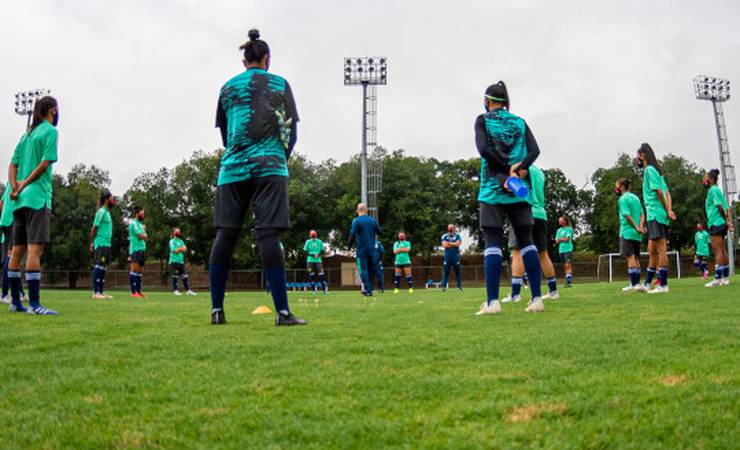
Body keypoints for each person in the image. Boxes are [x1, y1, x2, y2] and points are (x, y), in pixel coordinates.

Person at [210, 29, 304, 326]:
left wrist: (239, 153)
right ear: (267, 59)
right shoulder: (280, 83)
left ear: (244, 61)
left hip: (233, 167)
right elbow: (291, 130)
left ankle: (216, 311)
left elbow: (225, 134)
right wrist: (279, 156)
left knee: (225, 233)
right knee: (268, 234)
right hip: (270, 166)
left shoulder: (227, 88)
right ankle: (283, 313)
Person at [473, 81, 544, 315]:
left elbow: (483, 150)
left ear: (487, 101)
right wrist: (520, 169)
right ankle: (536, 298)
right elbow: (535, 151)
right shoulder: (520, 122)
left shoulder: (482, 120)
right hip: (519, 190)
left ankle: (493, 302)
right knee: (527, 243)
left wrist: (504, 170)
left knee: (493, 242)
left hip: (492, 189)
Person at [6, 96, 60, 315]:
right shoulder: (50, 132)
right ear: (53, 110)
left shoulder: (25, 135)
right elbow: (46, 162)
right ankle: (35, 305)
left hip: (19, 200)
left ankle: (15, 302)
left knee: (16, 252)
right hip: (37, 197)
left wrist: (15, 187)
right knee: (34, 250)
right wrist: (26, 183)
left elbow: (12, 164)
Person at [501, 165, 559, 302]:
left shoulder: (520, 168)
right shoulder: (539, 172)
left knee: (517, 253)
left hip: (523, 213)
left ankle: (515, 294)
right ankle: (553, 291)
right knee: (543, 254)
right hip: (540, 214)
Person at [636, 143, 676, 294]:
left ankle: (663, 285)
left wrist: (667, 209)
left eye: (638, 154)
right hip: (659, 214)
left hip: (655, 213)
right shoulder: (658, 172)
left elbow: (660, 192)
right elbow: (668, 193)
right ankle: (647, 283)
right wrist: (669, 210)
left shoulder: (649, 170)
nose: (637, 158)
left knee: (661, 250)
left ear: (644, 154)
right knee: (651, 250)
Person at [614, 178, 646, 292]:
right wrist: (640, 227)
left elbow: (627, 215)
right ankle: (636, 283)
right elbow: (642, 214)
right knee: (636, 258)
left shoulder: (623, 199)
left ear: (622, 187)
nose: (615, 188)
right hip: (637, 234)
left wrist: (636, 226)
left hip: (627, 232)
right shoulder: (636, 198)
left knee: (630, 257)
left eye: (616, 186)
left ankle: (635, 284)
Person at [703, 169, 733, 287]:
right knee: (722, 249)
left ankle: (717, 278)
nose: (704, 180)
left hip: (716, 223)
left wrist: (725, 220)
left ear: (710, 179)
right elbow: (727, 208)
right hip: (721, 223)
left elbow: (720, 207)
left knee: (717, 250)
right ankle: (725, 278)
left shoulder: (713, 190)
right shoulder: (718, 190)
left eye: (706, 177)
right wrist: (728, 222)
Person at [348, 203, 381, 296]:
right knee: (370, 270)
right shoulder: (373, 220)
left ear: (358, 211)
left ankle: (368, 289)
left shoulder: (356, 221)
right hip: (372, 250)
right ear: (366, 210)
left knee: (363, 270)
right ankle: (369, 289)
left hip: (362, 250)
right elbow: (379, 231)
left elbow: (352, 235)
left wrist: (349, 247)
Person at [90, 190, 115, 299]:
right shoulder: (101, 212)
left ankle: (101, 291)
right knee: (99, 266)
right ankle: (96, 293)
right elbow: (94, 227)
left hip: (107, 244)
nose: (113, 200)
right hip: (100, 242)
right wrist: (92, 242)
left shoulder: (107, 212)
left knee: (104, 267)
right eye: (111, 198)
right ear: (106, 200)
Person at [169, 227, 196, 296]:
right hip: (174, 261)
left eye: (179, 231)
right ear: (173, 233)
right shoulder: (172, 241)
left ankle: (188, 290)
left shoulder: (181, 241)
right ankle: (176, 290)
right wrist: (181, 249)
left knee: (185, 276)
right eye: (177, 231)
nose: (178, 232)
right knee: (175, 276)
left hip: (181, 261)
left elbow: (185, 249)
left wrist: (179, 249)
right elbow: (175, 251)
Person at [128, 206, 147, 298]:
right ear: (137, 214)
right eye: (142, 213)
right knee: (134, 270)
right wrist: (144, 234)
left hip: (142, 249)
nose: (143, 215)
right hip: (135, 249)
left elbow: (145, 237)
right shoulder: (133, 224)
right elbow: (141, 236)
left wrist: (144, 235)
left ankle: (139, 292)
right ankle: (134, 292)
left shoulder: (141, 224)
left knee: (139, 272)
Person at [303, 230, 327, 294]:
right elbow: (305, 251)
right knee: (311, 275)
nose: (313, 236)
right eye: (312, 235)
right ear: (310, 235)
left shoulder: (319, 241)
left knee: (321, 274)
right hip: (310, 261)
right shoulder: (308, 242)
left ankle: (324, 290)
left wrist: (318, 255)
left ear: (316, 235)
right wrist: (312, 255)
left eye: (314, 235)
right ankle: (313, 290)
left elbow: (322, 250)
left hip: (318, 261)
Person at [440, 224, 463, 291]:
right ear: (448, 228)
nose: (450, 228)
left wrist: (449, 243)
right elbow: (444, 245)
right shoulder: (444, 236)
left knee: (457, 272)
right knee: (446, 272)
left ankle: (459, 287)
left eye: (452, 227)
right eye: (449, 227)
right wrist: (454, 244)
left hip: (456, 256)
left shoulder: (458, 236)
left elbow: (458, 244)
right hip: (447, 256)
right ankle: (444, 287)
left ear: (454, 228)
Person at [555, 217, 574, 287]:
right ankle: (567, 281)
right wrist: (561, 239)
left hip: (568, 249)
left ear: (564, 221)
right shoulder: (558, 230)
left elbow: (567, 239)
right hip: (561, 250)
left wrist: (560, 239)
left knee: (568, 265)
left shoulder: (569, 229)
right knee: (564, 266)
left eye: (561, 220)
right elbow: (556, 241)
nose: (559, 221)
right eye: (559, 220)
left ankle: (568, 283)